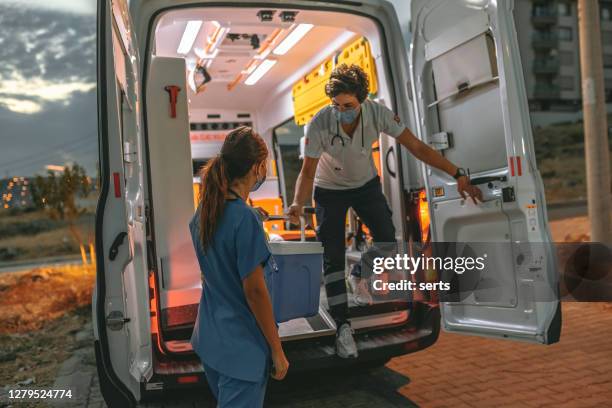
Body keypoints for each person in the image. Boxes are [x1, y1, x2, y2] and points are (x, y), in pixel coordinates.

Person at [287, 64, 483, 359]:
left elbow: (416, 147)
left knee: (387, 240)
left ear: (363, 100)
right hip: (329, 191)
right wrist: (296, 205)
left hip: (365, 184)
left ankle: (360, 273)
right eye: (336, 105)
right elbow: (307, 171)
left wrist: (457, 173)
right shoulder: (320, 123)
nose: (342, 112)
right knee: (332, 259)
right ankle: (343, 329)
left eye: (348, 106)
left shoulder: (378, 114)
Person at [189, 126, 289, 407]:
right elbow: (255, 292)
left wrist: (251, 216)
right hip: (242, 348)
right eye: (265, 164)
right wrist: (277, 350)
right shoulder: (243, 220)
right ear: (257, 167)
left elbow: (221, 250)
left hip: (212, 339)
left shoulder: (204, 213)